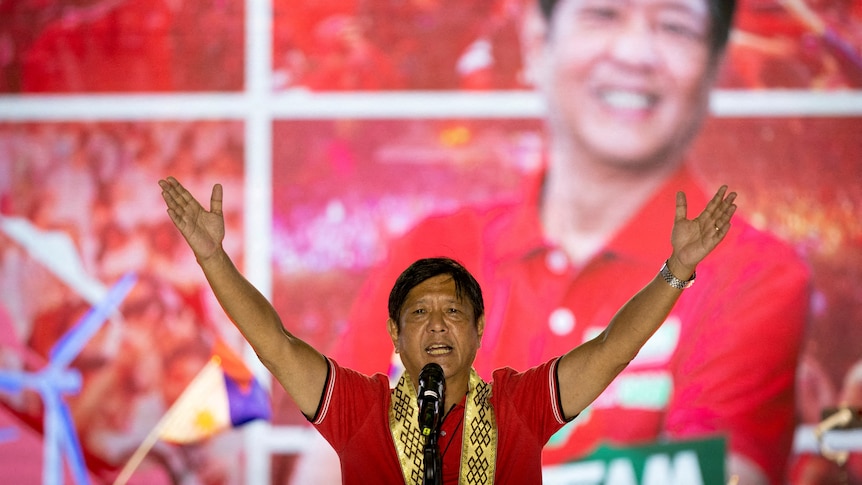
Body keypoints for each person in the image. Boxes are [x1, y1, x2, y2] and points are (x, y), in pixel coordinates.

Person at [295, 1, 811, 484]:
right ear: (537, 41)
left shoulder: (755, 278)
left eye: (675, 25)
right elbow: (327, 466)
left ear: (715, 64)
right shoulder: (433, 251)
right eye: (602, 14)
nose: (634, 53)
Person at [158, 175, 737, 484]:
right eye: (419, 313)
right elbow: (275, 343)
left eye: (453, 311)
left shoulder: (519, 404)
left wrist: (676, 270)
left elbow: (611, 350)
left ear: (480, 329)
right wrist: (214, 259)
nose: (437, 325)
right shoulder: (359, 409)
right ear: (392, 332)